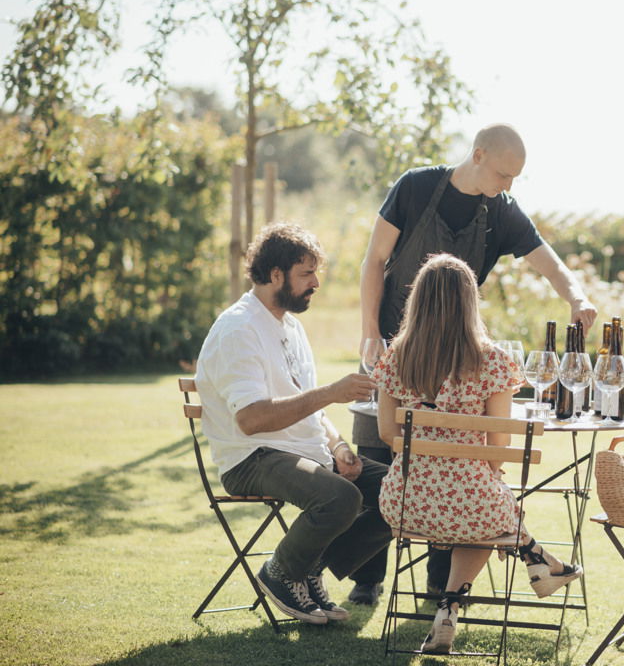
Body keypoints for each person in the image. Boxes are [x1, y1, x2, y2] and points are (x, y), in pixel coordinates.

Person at [347, 122, 598, 603]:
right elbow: (374, 259)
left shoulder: (502, 212)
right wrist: (370, 333)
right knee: (377, 456)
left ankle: (438, 589)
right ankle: (366, 580)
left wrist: (577, 297)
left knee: (446, 459)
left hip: (455, 361)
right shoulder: (416, 186)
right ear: (478, 155)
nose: (510, 185)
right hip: (393, 353)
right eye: (505, 173)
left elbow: (550, 264)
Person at [373, 253, 583, 654]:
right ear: (471, 301)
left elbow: (387, 432)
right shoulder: (494, 361)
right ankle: (528, 564)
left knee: (483, 504)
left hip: (404, 501)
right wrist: (476, 472)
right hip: (474, 506)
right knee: (488, 505)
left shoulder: (395, 357)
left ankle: (529, 566)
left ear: (416, 300)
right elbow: (497, 452)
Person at [195, 222, 391, 625]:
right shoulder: (238, 328)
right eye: (306, 274)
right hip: (253, 457)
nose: (316, 282)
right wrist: (331, 393)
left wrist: (338, 447)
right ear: (275, 274)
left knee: (404, 492)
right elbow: (251, 420)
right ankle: (282, 571)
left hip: (307, 452)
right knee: (341, 498)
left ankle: (307, 569)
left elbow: (309, 406)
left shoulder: (292, 327)